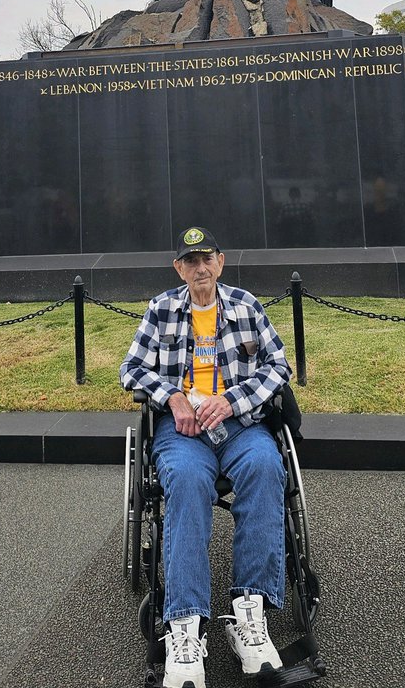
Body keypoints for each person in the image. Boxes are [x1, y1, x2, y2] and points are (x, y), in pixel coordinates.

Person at [121, 226, 291, 688]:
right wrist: (174, 397)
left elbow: (280, 365)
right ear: (179, 268)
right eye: (189, 261)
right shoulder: (161, 309)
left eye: (206, 259)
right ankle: (185, 626)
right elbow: (131, 368)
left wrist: (233, 401)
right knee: (188, 483)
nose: (199, 268)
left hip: (239, 426)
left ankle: (249, 614)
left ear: (220, 261)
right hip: (184, 432)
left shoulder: (245, 305)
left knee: (264, 467)